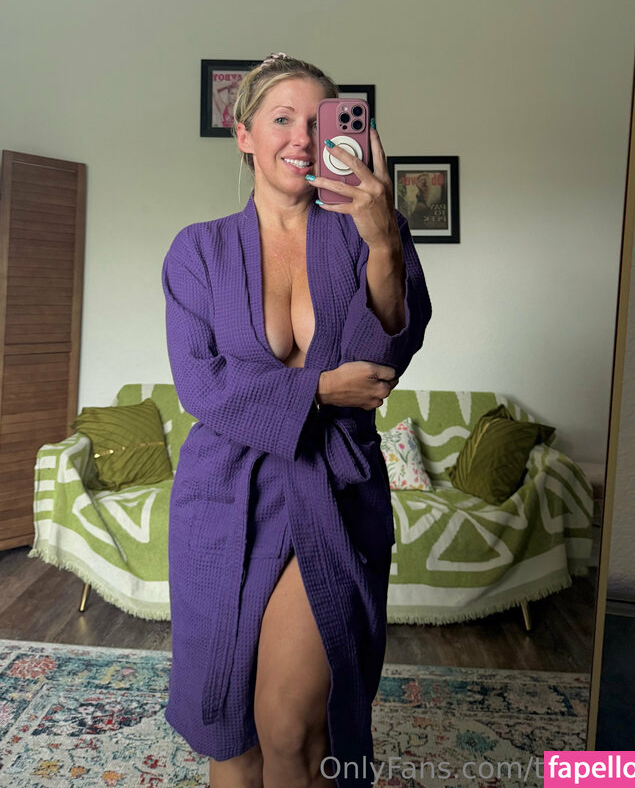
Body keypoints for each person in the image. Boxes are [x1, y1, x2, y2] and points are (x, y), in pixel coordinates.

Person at [161, 53, 432, 788]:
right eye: (282, 118)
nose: (302, 138)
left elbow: (384, 362)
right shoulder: (198, 250)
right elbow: (202, 387)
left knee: (291, 726)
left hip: (331, 489)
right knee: (231, 738)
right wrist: (318, 390)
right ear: (244, 134)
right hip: (223, 497)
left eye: (318, 121)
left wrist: (383, 240)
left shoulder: (365, 234)